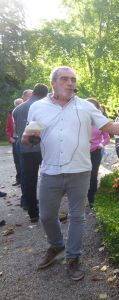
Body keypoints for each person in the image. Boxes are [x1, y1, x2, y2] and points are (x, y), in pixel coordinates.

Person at [22, 66, 119, 281]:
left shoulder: (85, 106)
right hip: (50, 171)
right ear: (53, 83)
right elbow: (31, 133)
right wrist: (27, 138)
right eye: (65, 79)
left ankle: (73, 257)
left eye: (73, 79)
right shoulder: (37, 107)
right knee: (46, 215)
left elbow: (109, 126)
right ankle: (57, 244)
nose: (70, 83)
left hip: (80, 170)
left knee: (77, 215)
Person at [13, 84, 48, 222]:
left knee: (28, 180)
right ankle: (48, 209)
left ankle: (32, 211)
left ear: (33, 92)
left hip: (25, 149)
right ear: (45, 94)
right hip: (42, 148)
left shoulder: (17, 109)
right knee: (48, 178)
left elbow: (18, 130)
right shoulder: (43, 107)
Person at [86, 98, 110, 208]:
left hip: (95, 151)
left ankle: (91, 199)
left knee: (92, 175)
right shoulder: (78, 119)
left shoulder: (100, 121)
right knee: (79, 175)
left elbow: (106, 138)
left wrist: (100, 144)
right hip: (80, 152)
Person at [5, 98, 23, 187]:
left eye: (21, 103)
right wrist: (10, 137)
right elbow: (8, 128)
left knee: (25, 160)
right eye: (18, 104)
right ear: (15, 105)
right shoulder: (10, 114)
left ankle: (25, 180)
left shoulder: (27, 111)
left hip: (24, 139)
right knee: (17, 161)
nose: (19, 105)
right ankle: (19, 180)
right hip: (14, 140)